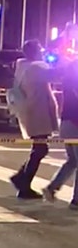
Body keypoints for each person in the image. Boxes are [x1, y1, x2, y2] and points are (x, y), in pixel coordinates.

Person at [8, 40, 58, 199]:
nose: (42, 53)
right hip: (38, 112)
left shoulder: (23, 67)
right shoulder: (37, 67)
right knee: (41, 148)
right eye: (40, 50)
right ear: (35, 52)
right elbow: (57, 75)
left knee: (39, 148)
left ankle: (21, 179)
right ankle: (23, 183)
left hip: (30, 111)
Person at [45, 57, 78, 206]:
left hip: (66, 123)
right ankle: (76, 200)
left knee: (72, 161)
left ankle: (52, 187)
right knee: (74, 160)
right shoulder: (74, 82)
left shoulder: (68, 80)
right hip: (75, 124)